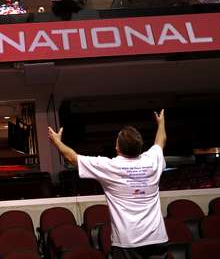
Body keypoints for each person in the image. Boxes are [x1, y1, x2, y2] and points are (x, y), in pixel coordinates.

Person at [48, 110, 168, 259]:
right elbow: (160, 142)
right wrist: (161, 123)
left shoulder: (110, 167)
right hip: (158, 239)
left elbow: (72, 158)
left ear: (117, 148)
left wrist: (57, 141)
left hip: (128, 244)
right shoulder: (151, 161)